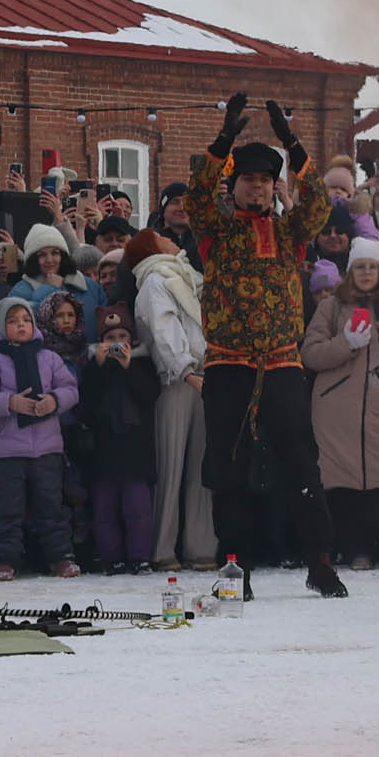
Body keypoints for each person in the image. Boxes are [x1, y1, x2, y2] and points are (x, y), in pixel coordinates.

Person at [185, 94, 341, 596]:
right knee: (228, 469)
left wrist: (293, 143)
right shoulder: (217, 230)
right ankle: (235, 567)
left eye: (266, 180)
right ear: (234, 188)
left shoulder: (291, 230)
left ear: (275, 188)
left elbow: (318, 201)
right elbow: (196, 194)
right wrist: (224, 138)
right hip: (229, 366)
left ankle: (320, 563)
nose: (258, 186)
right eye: (249, 179)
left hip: (282, 365)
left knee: (301, 462)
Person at [304, 238, 379, 567]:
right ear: (350, 271)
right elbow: (310, 353)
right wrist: (345, 343)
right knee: (344, 484)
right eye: (359, 267)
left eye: (371, 267)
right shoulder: (331, 307)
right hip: (338, 411)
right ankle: (355, 549)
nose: (366, 272)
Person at [124, 227, 216, 574]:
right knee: (171, 466)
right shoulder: (154, 280)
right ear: (151, 248)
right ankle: (163, 547)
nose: (169, 237)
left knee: (201, 468)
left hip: (204, 376)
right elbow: (163, 330)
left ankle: (201, 545)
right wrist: (186, 370)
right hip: (177, 380)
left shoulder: (186, 277)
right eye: (160, 236)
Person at [0, 297, 81, 581]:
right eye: (13, 321)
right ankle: (5, 560)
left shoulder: (49, 358)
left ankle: (61, 557)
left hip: (47, 449)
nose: (21, 325)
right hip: (7, 453)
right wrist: (10, 402)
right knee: (7, 511)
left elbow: (70, 388)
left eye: (25, 320)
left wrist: (54, 401)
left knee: (52, 508)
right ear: (1, 327)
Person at [79, 312, 161, 574]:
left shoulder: (143, 364)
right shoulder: (92, 366)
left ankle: (139, 556)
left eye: (122, 337)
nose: (117, 343)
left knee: (138, 508)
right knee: (104, 508)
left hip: (135, 447)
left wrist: (129, 368)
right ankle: (111, 557)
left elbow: (150, 398)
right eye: (110, 338)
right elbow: (86, 404)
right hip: (103, 448)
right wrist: (99, 367)